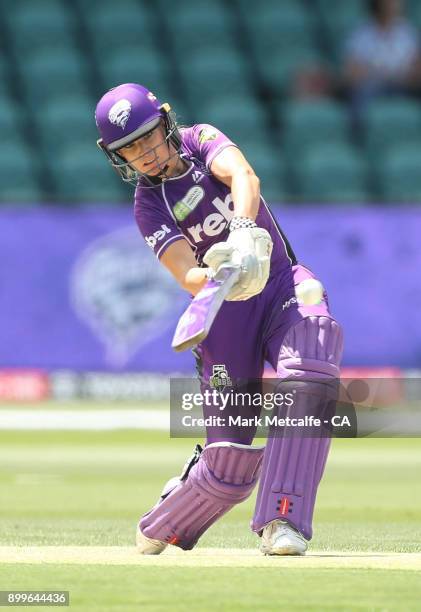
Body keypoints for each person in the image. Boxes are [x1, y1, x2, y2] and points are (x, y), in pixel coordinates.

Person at [95, 83, 343, 556]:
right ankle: (168, 513)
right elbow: (185, 271)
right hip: (225, 314)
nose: (143, 153)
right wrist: (220, 271)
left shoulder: (199, 139)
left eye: (148, 137)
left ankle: (282, 520)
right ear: (118, 156)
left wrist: (245, 234)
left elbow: (244, 177)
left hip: (277, 285)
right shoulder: (149, 205)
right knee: (228, 469)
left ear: (165, 124)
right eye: (130, 148)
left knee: (311, 366)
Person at [343, 0, 421, 123]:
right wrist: (379, 74)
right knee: (362, 94)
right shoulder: (363, 34)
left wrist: (405, 75)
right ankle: (360, 130)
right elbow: (351, 74)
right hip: (373, 85)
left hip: (403, 84)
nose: (395, 5)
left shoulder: (407, 31)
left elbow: (416, 68)